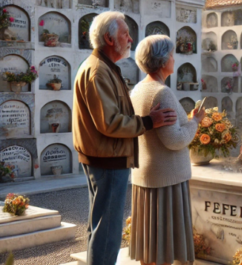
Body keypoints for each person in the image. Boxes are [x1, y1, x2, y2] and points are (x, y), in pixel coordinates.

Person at [72, 11, 177, 265]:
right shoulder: (98, 71)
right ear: (110, 38)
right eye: (125, 34)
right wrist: (150, 122)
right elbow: (110, 122)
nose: (131, 39)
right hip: (108, 158)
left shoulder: (105, 68)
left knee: (99, 226)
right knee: (107, 231)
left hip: (105, 156)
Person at [129, 35, 206, 265]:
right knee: (163, 248)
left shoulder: (139, 89)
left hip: (147, 174)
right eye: (172, 55)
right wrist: (195, 121)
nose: (175, 59)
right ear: (163, 61)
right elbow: (174, 140)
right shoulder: (162, 93)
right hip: (166, 178)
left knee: (150, 248)